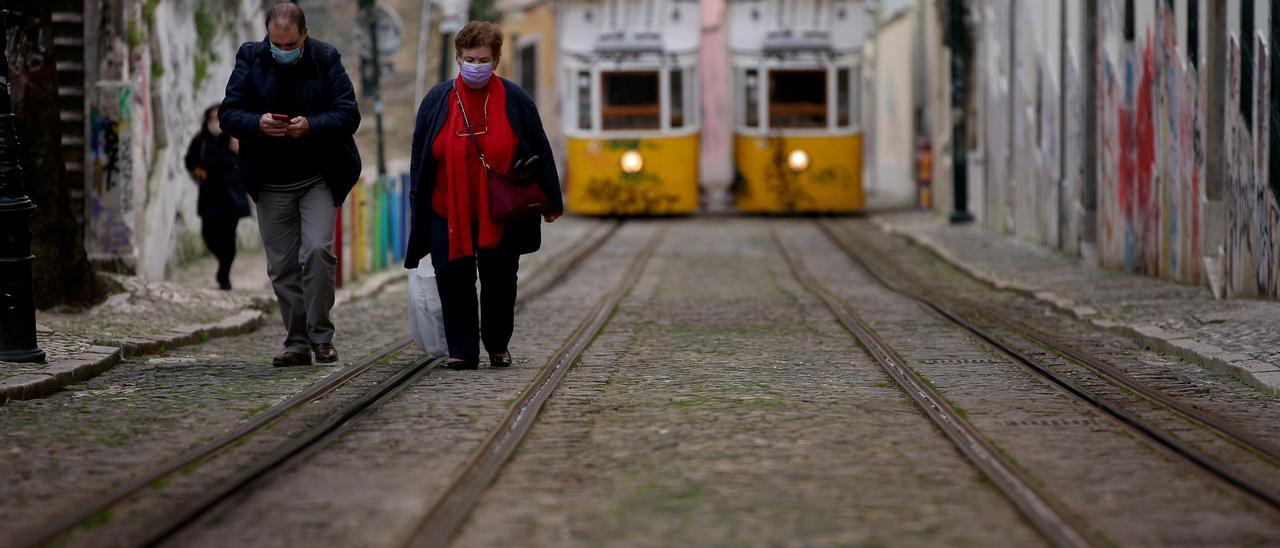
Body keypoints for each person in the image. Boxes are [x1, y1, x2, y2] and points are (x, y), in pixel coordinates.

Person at [404, 21, 564, 370]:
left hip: (500, 209)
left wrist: (551, 199)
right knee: (452, 277)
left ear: (496, 59)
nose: (476, 65)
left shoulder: (515, 99)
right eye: (469, 59)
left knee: (500, 280)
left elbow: (538, 146)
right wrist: (418, 202)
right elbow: (421, 154)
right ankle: (462, 350)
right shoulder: (437, 100)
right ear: (458, 59)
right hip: (447, 207)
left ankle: (496, 344)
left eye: (483, 59)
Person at [218, 3, 361, 367]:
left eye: (290, 43)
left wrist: (311, 125)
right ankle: (296, 342)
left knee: (316, 251)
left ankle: (321, 337)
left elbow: (348, 113)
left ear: (304, 34)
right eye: (276, 44)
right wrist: (257, 122)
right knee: (282, 267)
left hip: (319, 177)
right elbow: (229, 114)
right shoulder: (250, 57)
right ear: (267, 36)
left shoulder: (326, 58)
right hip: (269, 181)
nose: (282, 50)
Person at [184, 105, 250, 290]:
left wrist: (239, 150)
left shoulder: (233, 138)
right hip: (209, 195)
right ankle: (223, 261)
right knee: (209, 234)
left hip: (232, 196)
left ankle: (224, 275)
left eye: (218, 117)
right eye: (211, 118)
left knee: (229, 237)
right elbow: (190, 161)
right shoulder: (200, 140)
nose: (215, 122)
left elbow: (249, 161)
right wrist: (198, 172)